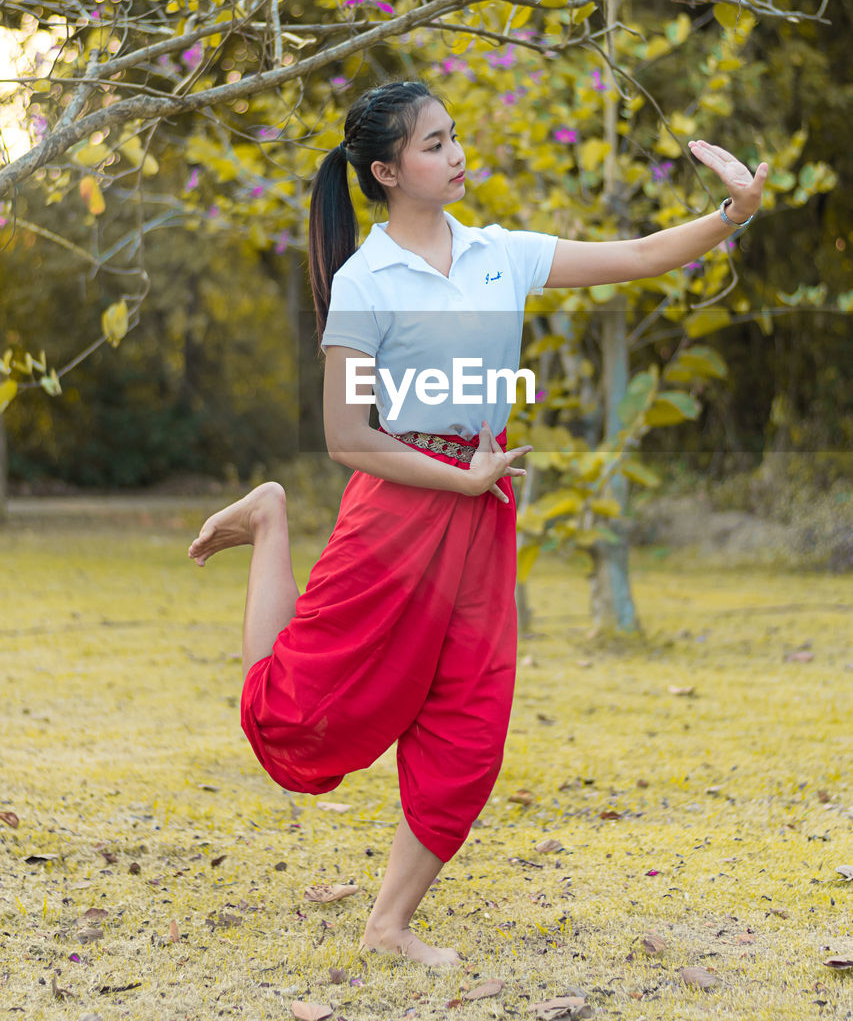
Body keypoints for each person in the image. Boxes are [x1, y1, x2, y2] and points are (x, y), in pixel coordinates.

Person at [188, 79, 766, 966]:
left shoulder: (500, 254)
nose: (455, 154)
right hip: (397, 510)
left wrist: (734, 209)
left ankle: (388, 923)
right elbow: (348, 438)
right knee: (300, 725)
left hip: (479, 502)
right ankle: (268, 519)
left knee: (469, 722)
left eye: (453, 137)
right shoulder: (365, 280)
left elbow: (640, 254)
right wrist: (456, 481)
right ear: (385, 170)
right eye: (432, 144)